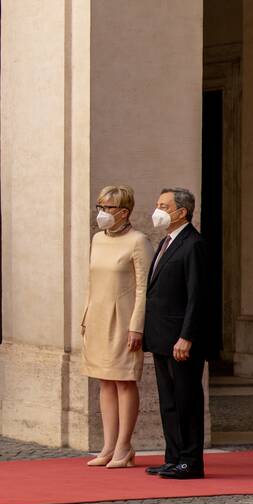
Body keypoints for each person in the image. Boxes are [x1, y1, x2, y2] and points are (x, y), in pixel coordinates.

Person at [80, 185, 152, 468]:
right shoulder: (97, 239)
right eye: (99, 207)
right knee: (104, 381)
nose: (101, 213)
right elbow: (91, 281)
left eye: (106, 208)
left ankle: (124, 447)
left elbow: (144, 288)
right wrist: (85, 317)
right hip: (97, 318)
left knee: (124, 380)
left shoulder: (138, 241)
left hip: (123, 321)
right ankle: (108, 446)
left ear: (123, 212)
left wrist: (137, 326)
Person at [143, 187, 212, 480]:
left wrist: (187, 336)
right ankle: (173, 457)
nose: (157, 210)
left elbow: (198, 296)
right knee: (169, 401)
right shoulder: (167, 242)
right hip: (162, 336)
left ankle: (191, 461)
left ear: (181, 212)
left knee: (186, 399)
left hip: (181, 339)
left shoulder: (193, 244)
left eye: (163, 205)